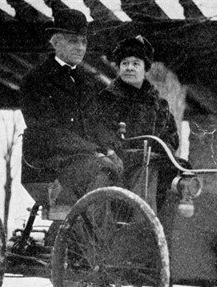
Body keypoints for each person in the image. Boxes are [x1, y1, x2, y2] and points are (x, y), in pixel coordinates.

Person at [20, 9, 123, 204]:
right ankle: (94, 233)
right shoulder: (36, 80)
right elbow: (48, 130)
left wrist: (110, 150)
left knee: (133, 166)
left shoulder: (86, 82)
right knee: (101, 173)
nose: (80, 48)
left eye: (84, 42)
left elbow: (95, 122)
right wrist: (95, 152)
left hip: (85, 159)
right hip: (51, 163)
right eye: (73, 41)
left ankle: (117, 229)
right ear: (56, 42)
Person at [86, 35, 185, 209]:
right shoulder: (106, 99)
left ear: (145, 68)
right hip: (120, 162)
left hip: (152, 159)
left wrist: (161, 151)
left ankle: (172, 224)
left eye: (135, 63)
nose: (129, 68)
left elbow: (171, 137)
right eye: (125, 63)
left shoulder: (158, 103)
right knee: (147, 166)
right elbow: (99, 131)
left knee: (183, 172)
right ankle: (144, 223)